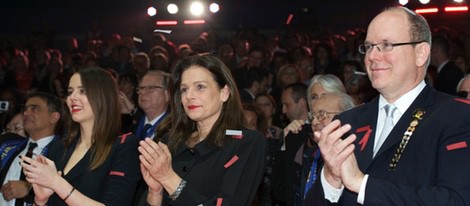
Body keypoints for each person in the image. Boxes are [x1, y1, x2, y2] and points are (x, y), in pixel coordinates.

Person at [306, 7, 470, 205]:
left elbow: (456, 200)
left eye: (386, 45)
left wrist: (361, 184)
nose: (372, 56)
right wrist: (331, 178)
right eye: (368, 47)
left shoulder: (456, 116)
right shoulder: (347, 123)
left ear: (420, 53)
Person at [138, 55, 266, 205]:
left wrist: (168, 178)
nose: (189, 96)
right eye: (184, 89)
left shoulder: (246, 142)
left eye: (200, 87)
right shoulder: (171, 140)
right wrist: (155, 191)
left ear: (224, 93)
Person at [20, 67, 141, 205]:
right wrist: (40, 201)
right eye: (70, 92)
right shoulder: (60, 145)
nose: (72, 97)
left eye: (82, 91)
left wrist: (57, 183)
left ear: (103, 96)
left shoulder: (124, 146)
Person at [1, 92, 64, 206]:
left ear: (54, 117)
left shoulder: (64, 153)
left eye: (34, 109)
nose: (26, 113)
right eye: (25, 109)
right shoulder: (8, 144)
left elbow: (68, 191)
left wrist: (29, 189)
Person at [134, 70, 172, 140]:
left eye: (151, 87)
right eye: (141, 88)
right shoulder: (130, 128)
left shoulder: (175, 132)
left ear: (167, 94)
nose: (142, 92)